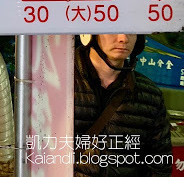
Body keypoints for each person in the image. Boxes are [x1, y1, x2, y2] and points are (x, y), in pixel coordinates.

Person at [74, 34, 172, 176]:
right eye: (113, 30)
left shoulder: (150, 95)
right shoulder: (58, 84)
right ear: (91, 34)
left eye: (131, 31)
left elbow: (159, 165)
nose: (123, 39)